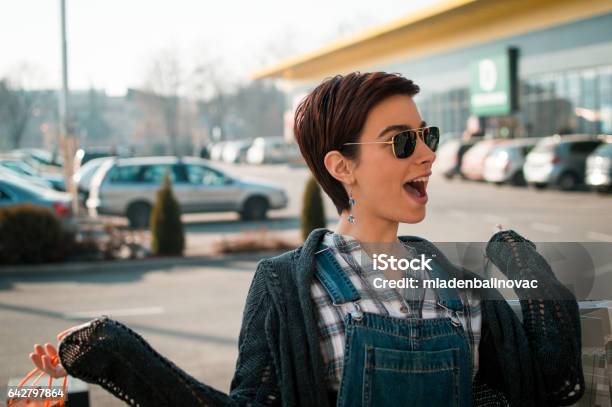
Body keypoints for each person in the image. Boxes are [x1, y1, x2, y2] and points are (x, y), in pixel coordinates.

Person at [28, 72, 584, 407]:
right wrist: (113, 354)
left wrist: (525, 268)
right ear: (342, 167)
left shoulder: (457, 288)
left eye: (427, 136)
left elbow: (551, 380)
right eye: (401, 142)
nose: (428, 154)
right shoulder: (287, 288)